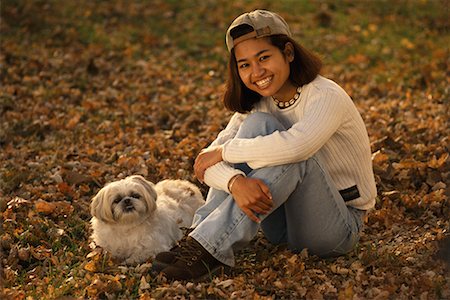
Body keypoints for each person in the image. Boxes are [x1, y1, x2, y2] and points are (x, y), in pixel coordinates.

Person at [153, 9, 377, 281]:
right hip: (281, 227)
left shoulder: (325, 95)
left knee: (295, 156)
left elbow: (297, 148)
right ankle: (200, 239)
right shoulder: (259, 104)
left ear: (289, 53)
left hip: (336, 226)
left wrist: (225, 152)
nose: (256, 72)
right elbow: (204, 165)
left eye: (264, 58)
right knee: (258, 124)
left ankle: (209, 248)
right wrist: (236, 182)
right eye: (245, 64)